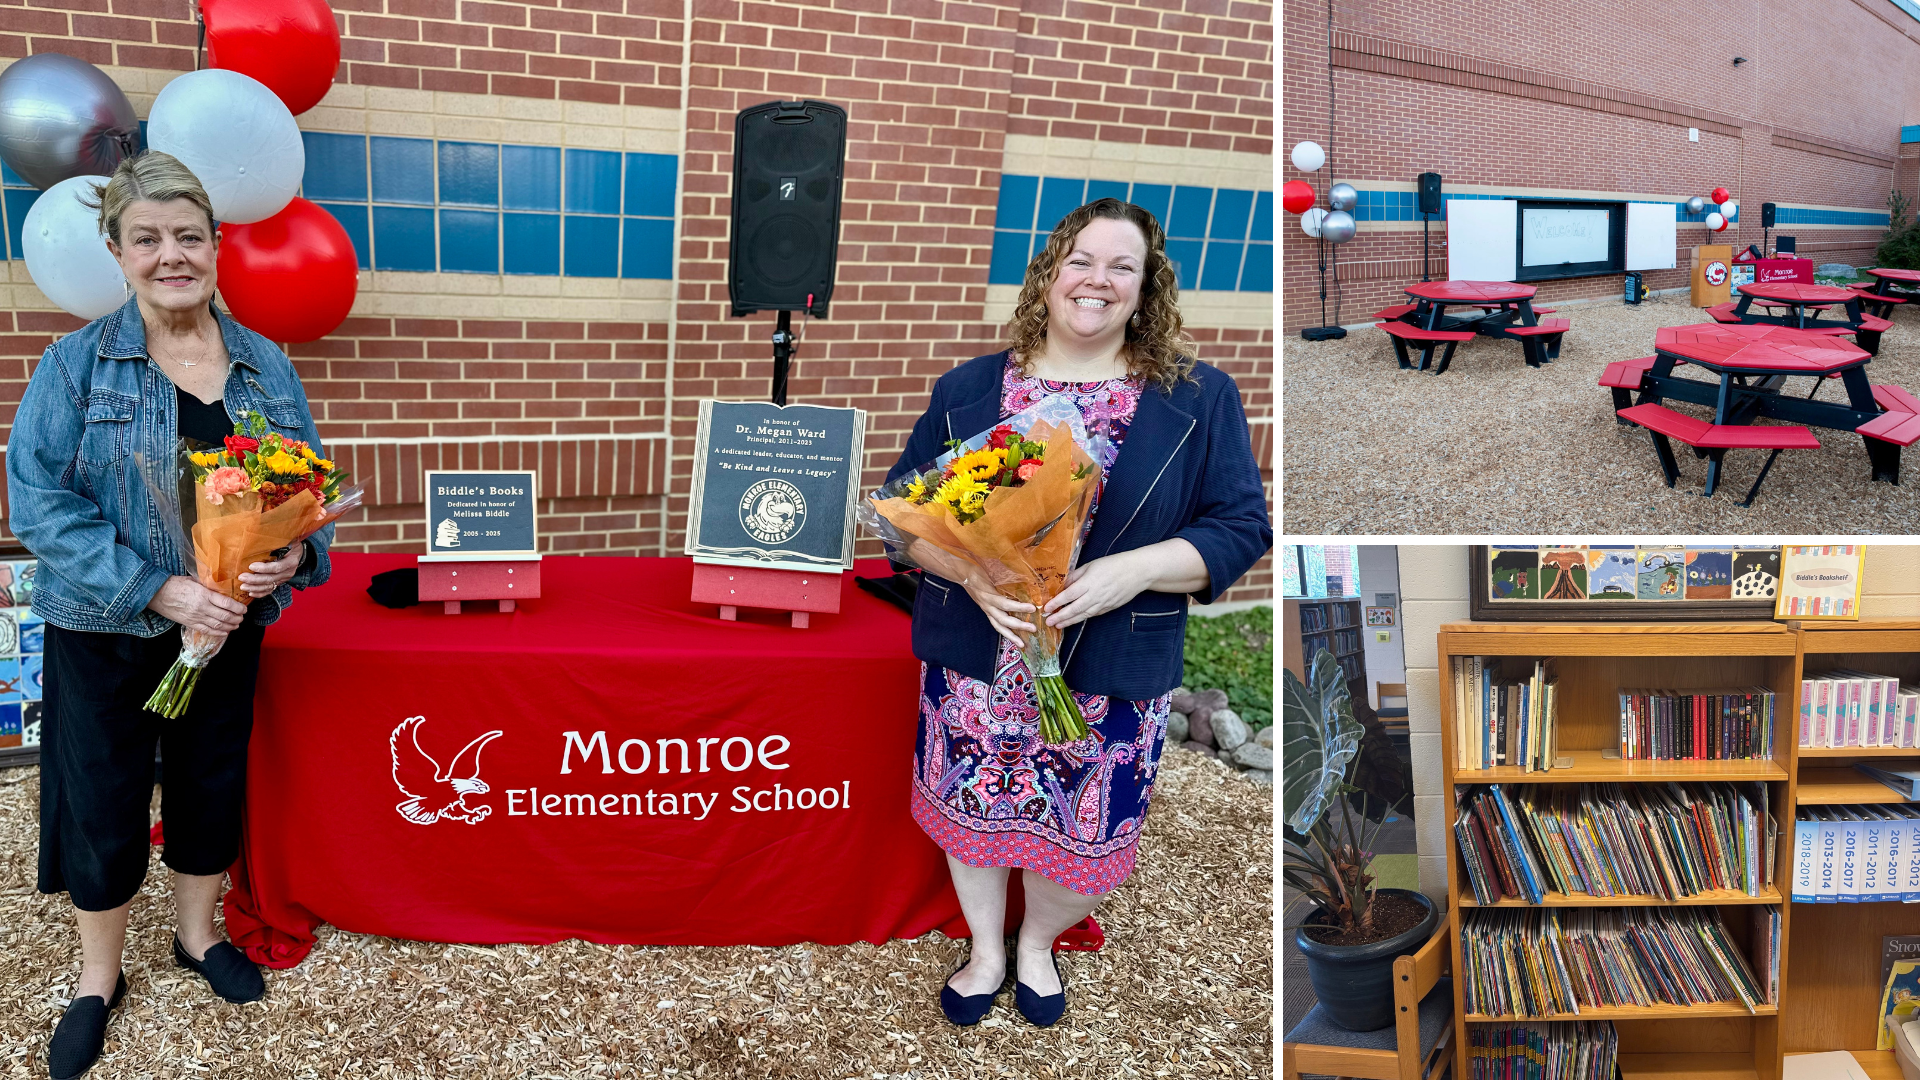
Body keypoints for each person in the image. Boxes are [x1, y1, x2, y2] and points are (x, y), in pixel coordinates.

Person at [888, 197, 1270, 1027]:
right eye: (1081, 260)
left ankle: (1039, 945)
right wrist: (971, 573)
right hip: (980, 659)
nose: (1097, 280)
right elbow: (905, 514)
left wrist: (1132, 570)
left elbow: (1242, 525)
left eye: (1121, 266)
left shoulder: (1196, 398)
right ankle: (988, 950)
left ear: (1146, 288)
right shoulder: (969, 389)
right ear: (1050, 272)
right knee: (973, 812)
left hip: (1107, 668)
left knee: (1086, 837)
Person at [7, 152, 334, 1079]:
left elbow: (303, 492)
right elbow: (37, 501)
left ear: (217, 246)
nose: (171, 256)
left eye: (188, 236)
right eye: (147, 239)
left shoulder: (264, 364)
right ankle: (95, 980)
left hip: (226, 627)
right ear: (117, 251)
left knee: (206, 784)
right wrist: (158, 587)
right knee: (103, 800)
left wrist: (288, 556)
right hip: (106, 632)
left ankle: (196, 938)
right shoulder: (76, 365)